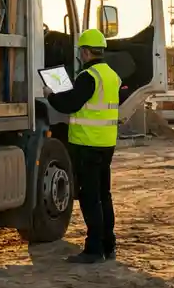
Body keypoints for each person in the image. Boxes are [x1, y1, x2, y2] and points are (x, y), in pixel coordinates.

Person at [43, 28, 120, 264]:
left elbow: (71, 105)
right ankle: (108, 244)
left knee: (89, 198)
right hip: (106, 143)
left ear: (85, 52)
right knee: (103, 196)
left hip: (87, 144)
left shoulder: (89, 77)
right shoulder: (111, 76)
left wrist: (51, 95)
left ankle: (94, 249)